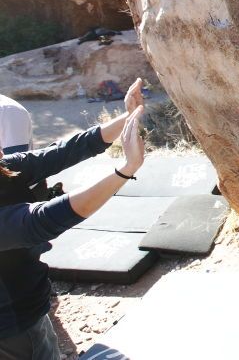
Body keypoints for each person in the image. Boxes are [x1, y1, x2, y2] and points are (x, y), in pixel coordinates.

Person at [0, 79, 146, 360]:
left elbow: (60, 152)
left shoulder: (4, 168)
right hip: (12, 327)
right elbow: (40, 221)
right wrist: (125, 170)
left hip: (25, 308)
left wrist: (128, 117)